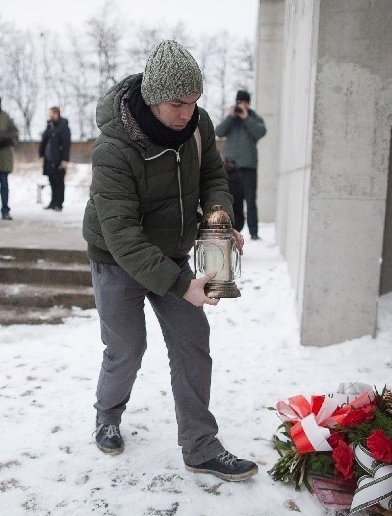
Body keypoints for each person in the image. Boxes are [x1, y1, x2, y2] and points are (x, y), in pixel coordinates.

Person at [82, 40, 258, 482]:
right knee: (127, 349)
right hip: (116, 259)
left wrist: (217, 219)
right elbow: (122, 236)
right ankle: (107, 415)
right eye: (179, 104)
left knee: (192, 344)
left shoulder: (197, 127)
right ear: (153, 97)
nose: (188, 113)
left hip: (172, 251)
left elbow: (214, 176)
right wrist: (181, 285)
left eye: (195, 102)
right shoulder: (113, 150)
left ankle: (200, 446)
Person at [214, 89, 267, 240]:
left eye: (243, 102)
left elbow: (260, 132)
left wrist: (246, 118)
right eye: (239, 102)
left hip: (249, 166)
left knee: (250, 200)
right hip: (230, 167)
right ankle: (230, 229)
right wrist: (230, 117)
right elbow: (218, 131)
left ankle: (254, 232)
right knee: (231, 199)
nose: (241, 105)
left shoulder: (254, 117)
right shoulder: (232, 118)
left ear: (248, 104)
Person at [38, 106, 71, 211]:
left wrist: (65, 160)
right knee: (52, 181)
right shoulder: (49, 126)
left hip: (59, 159)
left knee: (59, 182)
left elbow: (66, 144)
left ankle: (59, 204)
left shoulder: (63, 126)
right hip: (49, 159)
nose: (49, 115)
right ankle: (52, 203)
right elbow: (45, 140)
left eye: (51, 113)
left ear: (56, 114)